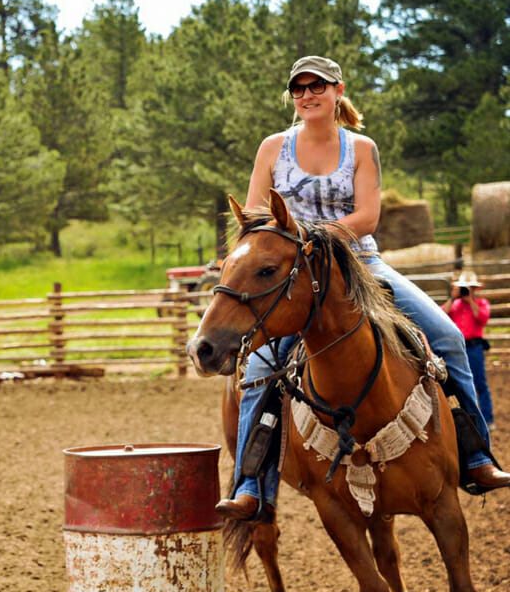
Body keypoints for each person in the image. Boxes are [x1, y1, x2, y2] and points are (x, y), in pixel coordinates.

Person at [216, 54, 510, 520]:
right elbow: (256, 216)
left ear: (338, 90)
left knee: (449, 338)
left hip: (361, 265)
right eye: (299, 88)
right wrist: (287, 249)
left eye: (317, 86)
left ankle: (477, 456)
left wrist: (313, 238)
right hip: (293, 273)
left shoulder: (361, 148)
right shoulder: (272, 147)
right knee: (259, 368)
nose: (307, 95)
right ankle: (252, 485)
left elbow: (368, 218)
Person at [442, 270, 495, 429]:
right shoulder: (455, 304)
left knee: (480, 383)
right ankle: (466, 421)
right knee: (458, 384)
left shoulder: (481, 303)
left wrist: (470, 300)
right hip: (458, 348)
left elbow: (482, 318)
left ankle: (487, 419)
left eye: (470, 288)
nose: (467, 290)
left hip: (474, 348)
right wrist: (453, 298)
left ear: (475, 290)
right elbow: (441, 315)